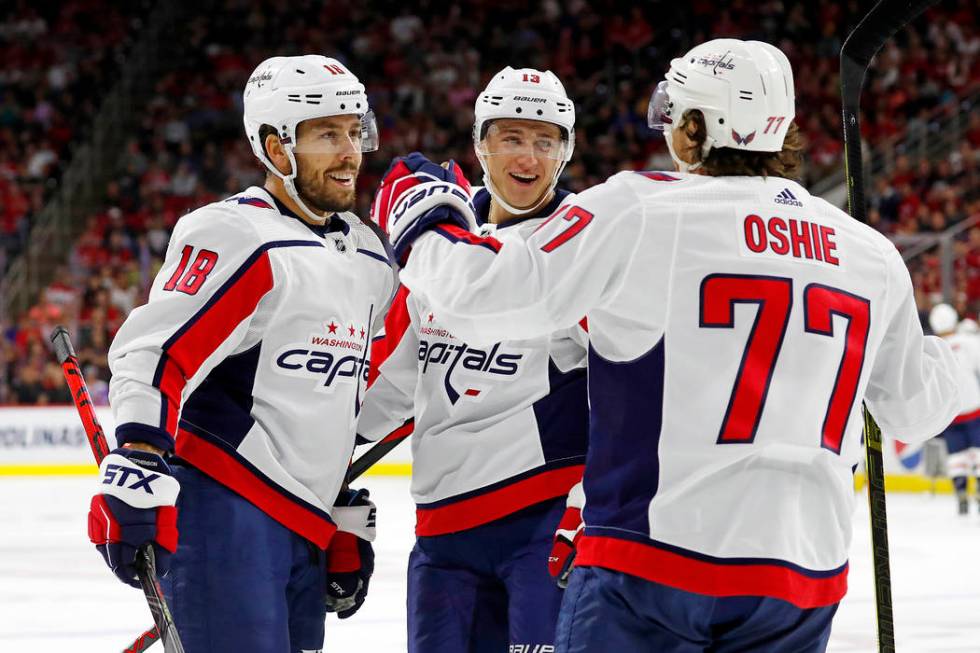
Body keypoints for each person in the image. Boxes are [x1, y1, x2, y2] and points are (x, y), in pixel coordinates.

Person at [375, 38, 960, 652]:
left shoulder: (641, 210)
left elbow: (489, 292)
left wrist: (420, 222)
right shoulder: (866, 250)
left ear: (693, 130)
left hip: (652, 562)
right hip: (800, 580)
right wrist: (948, 356)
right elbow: (917, 411)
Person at [89, 55, 396, 653]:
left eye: (354, 131)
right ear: (276, 147)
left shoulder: (367, 255)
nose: (350, 152)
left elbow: (333, 398)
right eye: (326, 134)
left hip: (303, 527)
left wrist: (333, 505)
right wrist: (140, 455)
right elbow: (155, 351)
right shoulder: (238, 234)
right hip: (228, 508)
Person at [358, 67, 589, 653]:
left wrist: (591, 505)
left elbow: (635, 388)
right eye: (512, 138)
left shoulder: (589, 244)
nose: (529, 157)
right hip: (441, 532)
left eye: (546, 140)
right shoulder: (439, 244)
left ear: (567, 150)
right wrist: (300, 459)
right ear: (480, 143)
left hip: (543, 522)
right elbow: (390, 383)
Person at [929, 303, 980, 514]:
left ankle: (960, 490)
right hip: (973, 406)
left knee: (955, 454)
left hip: (949, 410)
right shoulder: (968, 341)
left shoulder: (931, 346)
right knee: (977, 451)